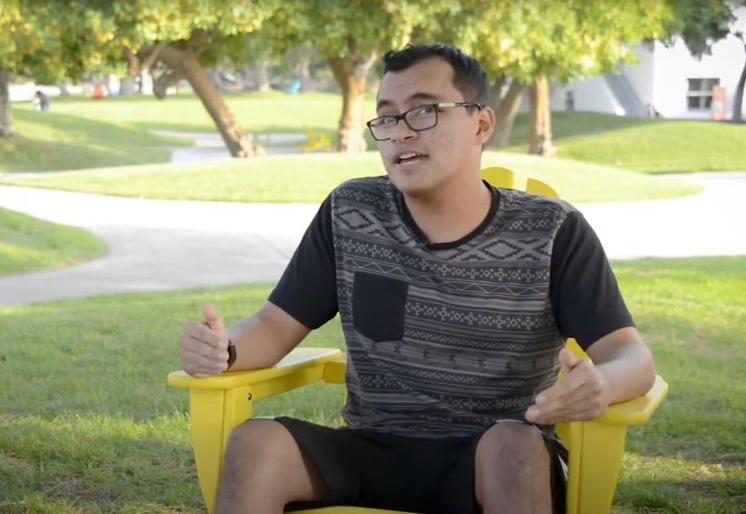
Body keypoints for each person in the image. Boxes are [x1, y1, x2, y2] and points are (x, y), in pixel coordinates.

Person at [178, 43, 656, 514]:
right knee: (258, 444)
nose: (401, 133)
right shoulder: (351, 213)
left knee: (514, 445)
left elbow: (630, 356)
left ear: (481, 124)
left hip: (491, 456)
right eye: (386, 118)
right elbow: (274, 326)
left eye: (424, 112)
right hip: (372, 449)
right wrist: (226, 350)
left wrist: (604, 385)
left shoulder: (553, 232)